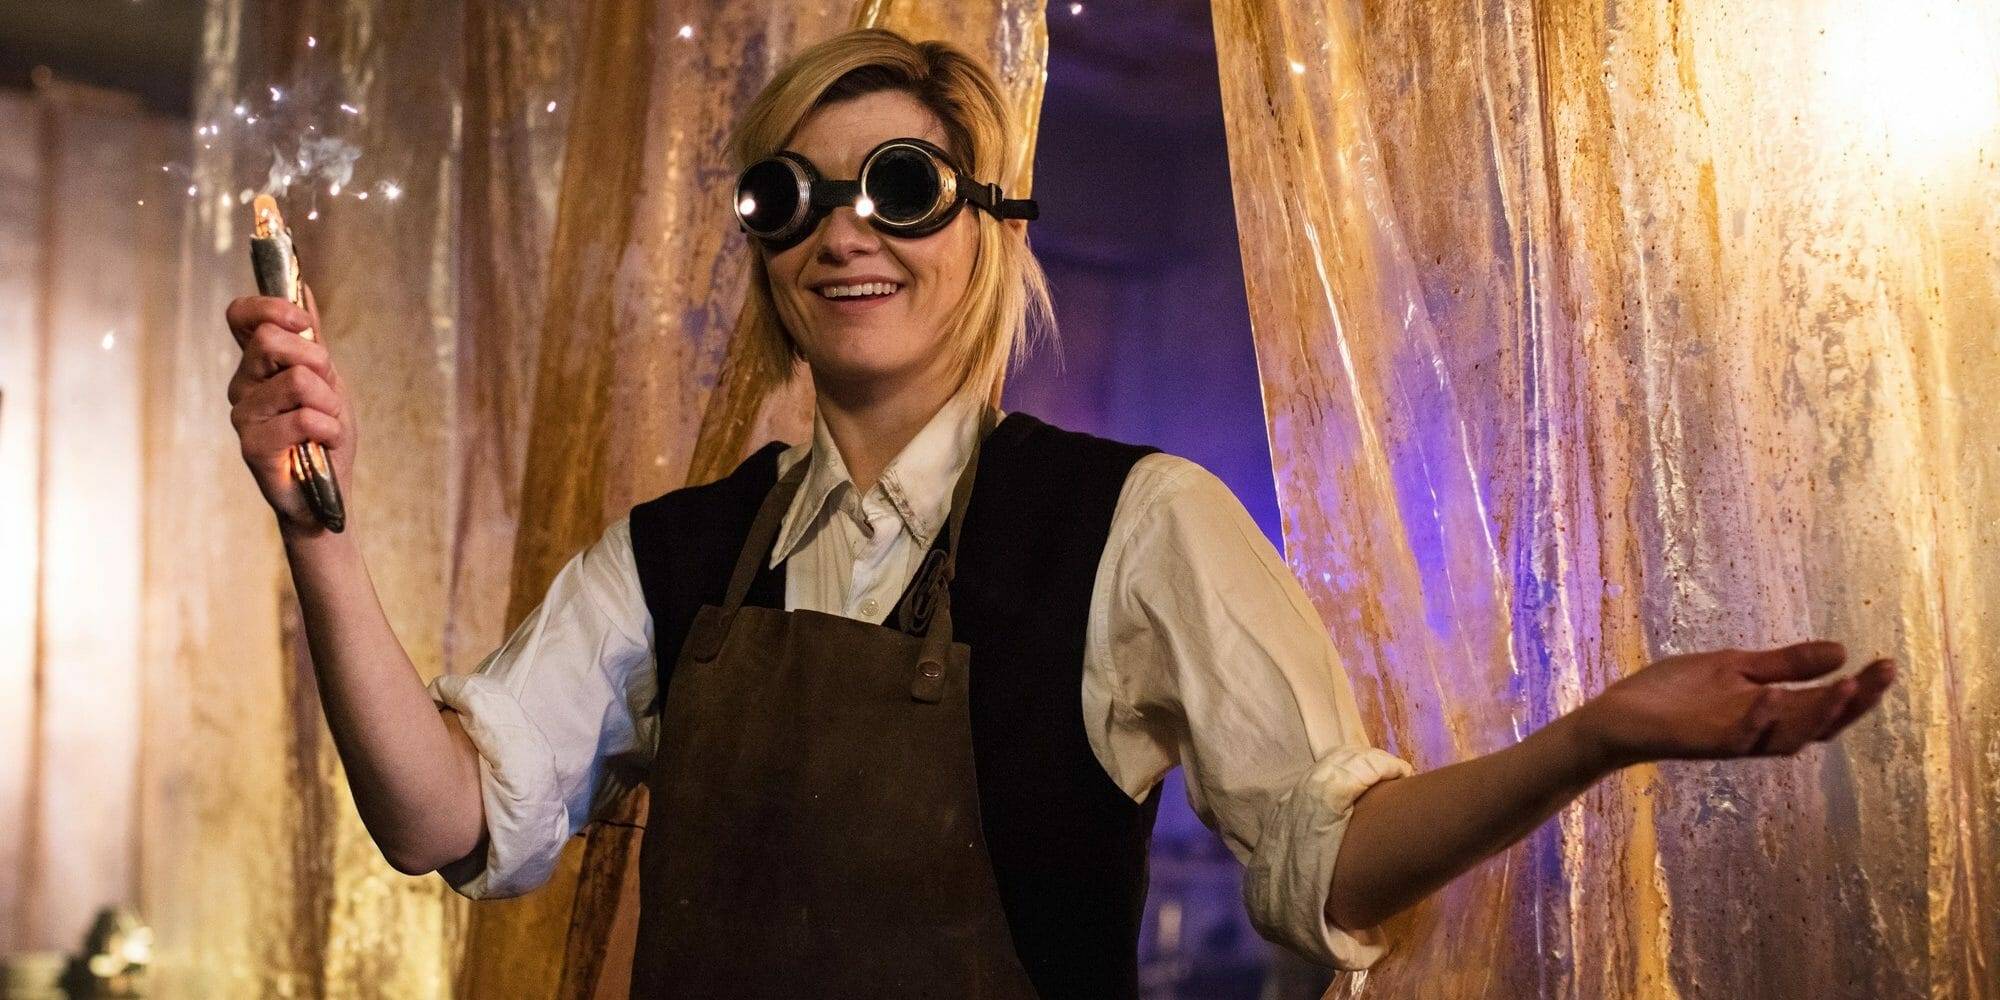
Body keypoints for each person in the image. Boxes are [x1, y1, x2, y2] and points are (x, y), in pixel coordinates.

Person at [222, 27, 1896, 1000]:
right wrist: (322, 536)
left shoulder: (1137, 526)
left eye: (900, 188)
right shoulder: (674, 559)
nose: (844, 233)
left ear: (990, 227)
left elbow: (1323, 854)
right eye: (792, 198)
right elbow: (445, 817)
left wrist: (1594, 737)